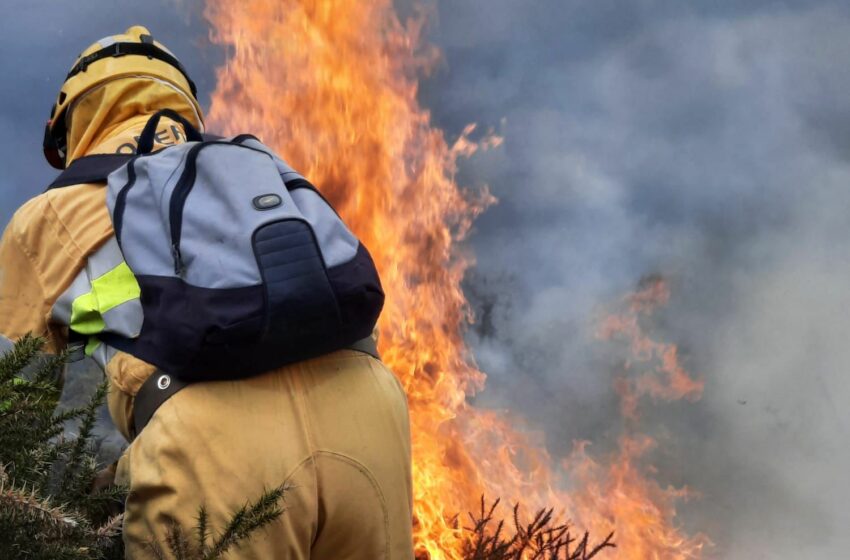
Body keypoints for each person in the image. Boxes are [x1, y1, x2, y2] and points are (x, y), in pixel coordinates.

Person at [0, 26, 414, 559]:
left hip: (215, 448)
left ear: (72, 125)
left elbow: (15, 396)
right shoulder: (258, 172)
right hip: (372, 413)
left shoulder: (47, 216)